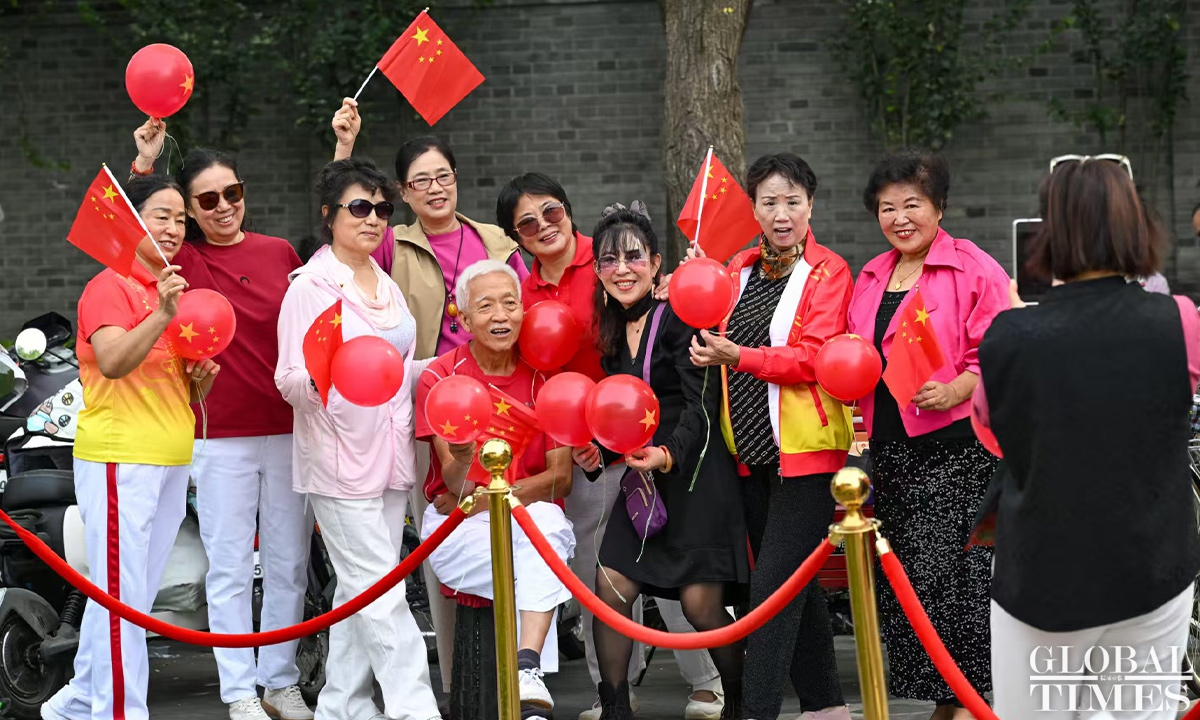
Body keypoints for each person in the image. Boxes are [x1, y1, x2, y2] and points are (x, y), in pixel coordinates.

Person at [976, 155, 1200, 720]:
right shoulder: (1180, 319)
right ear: (1134, 225)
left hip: (1046, 575)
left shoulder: (1009, 335)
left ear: (1048, 232)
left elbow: (993, 431)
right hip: (1154, 565)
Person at [495, 175, 725, 720]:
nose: (542, 226)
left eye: (551, 212)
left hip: (648, 433)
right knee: (604, 570)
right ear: (516, 236)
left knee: (669, 564)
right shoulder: (520, 287)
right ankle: (613, 694)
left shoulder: (607, 258)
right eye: (526, 222)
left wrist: (675, 283)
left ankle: (708, 681)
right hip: (582, 440)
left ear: (568, 210)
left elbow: (664, 316)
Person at [332, 98, 529, 687]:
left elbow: (529, 309)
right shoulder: (390, 242)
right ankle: (456, 679)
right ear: (403, 191)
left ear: (457, 179)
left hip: (500, 391)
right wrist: (344, 149)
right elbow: (340, 235)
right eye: (421, 181)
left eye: (443, 176)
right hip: (425, 393)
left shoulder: (497, 242)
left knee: (517, 521)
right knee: (439, 529)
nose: (435, 188)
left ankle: (523, 669)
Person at [130, 117, 314, 720]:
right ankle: (238, 689)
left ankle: (280, 681)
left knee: (288, 564)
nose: (223, 207)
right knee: (230, 565)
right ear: (189, 209)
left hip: (289, 429)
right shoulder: (181, 257)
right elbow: (129, 231)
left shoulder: (279, 253)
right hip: (218, 434)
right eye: (206, 200)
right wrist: (144, 165)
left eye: (231, 192)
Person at [43, 175, 219, 720]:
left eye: (180, 219)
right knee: (122, 599)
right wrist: (163, 315)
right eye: (160, 216)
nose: (173, 228)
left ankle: (79, 701)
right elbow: (115, 362)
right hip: (121, 457)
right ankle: (119, 712)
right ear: (131, 221)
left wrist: (200, 380)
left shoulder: (167, 288)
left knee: (133, 596)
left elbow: (169, 385)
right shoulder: (110, 286)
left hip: (169, 457)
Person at [689, 153, 853, 720]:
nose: (782, 214)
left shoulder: (829, 271)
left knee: (771, 593)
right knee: (793, 587)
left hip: (807, 453)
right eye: (769, 202)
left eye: (793, 201)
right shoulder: (737, 268)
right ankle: (826, 707)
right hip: (749, 453)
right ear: (754, 209)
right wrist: (687, 296)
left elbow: (815, 357)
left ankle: (753, 713)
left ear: (811, 205)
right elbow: (707, 322)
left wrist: (740, 356)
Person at [846, 151, 1010, 720]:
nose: (900, 218)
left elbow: (1000, 348)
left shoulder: (972, 267)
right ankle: (947, 697)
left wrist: (959, 387)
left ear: (939, 206)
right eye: (887, 208)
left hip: (960, 452)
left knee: (959, 581)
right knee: (912, 582)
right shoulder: (872, 274)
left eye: (912, 204)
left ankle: (967, 699)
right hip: (892, 451)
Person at [275, 158, 440, 720]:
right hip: (339, 459)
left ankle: (341, 706)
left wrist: (443, 369)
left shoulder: (384, 282)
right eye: (360, 207)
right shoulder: (310, 287)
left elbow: (394, 369)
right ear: (330, 215)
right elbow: (289, 379)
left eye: (383, 209)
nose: (373, 219)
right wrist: (330, 381)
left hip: (391, 454)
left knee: (358, 590)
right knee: (380, 589)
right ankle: (415, 710)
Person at [575, 206, 749, 720]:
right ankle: (615, 708)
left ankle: (741, 704)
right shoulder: (611, 330)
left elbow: (701, 405)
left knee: (700, 607)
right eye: (609, 260)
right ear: (598, 272)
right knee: (610, 589)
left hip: (695, 472)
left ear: (655, 264)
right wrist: (599, 452)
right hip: (643, 480)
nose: (621, 269)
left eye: (633, 257)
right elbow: (624, 415)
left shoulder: (679, 316)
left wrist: (668, 454)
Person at [414, 260, 576, 718]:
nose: (501, 315)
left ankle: (526, 671)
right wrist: (464, 461)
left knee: (545, 523)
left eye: (510, 303)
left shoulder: (545, 378)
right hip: (456, 532)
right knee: (543, 550)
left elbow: (560, 478)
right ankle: (531, 686)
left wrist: (489, 499)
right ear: (464, 319)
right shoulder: (441, 378)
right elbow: (455, 484)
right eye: (486, 306)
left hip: (522, 523)